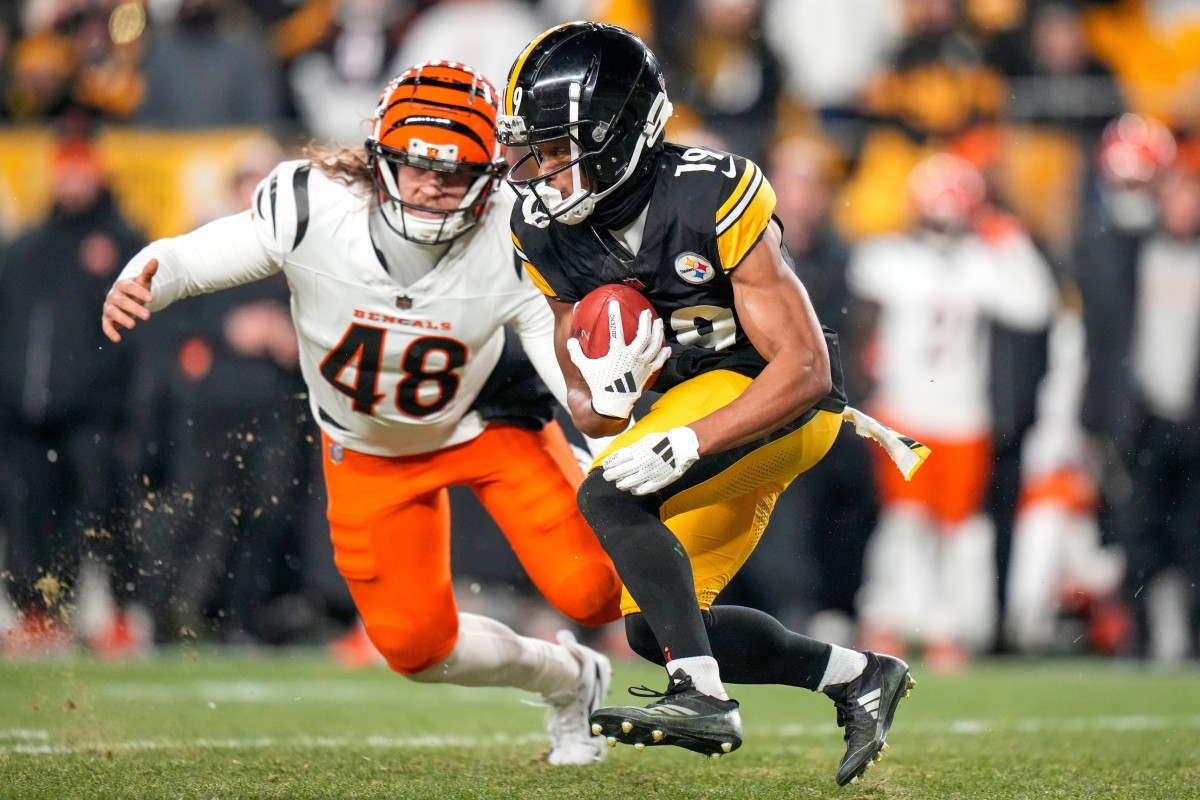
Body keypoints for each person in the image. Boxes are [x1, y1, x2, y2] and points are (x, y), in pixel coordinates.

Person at [101, 60, 622, 765]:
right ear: (381, 158)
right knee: (414, 647)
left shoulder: (514, 234)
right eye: (416, 165)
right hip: (367, 450)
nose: (433, 186)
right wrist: (145, 276)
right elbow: (200, 256)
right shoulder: (313, 207)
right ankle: (567, 678)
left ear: (492, 173)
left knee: (594, 590)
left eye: (456, 170)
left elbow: (561, 364)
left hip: (482, 425)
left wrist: (604, 422)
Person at [497, 21, 924, 786]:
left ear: (620, 136)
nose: (543, 170)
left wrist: (687, 444)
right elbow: (591, 414)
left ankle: (702, 696)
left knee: (611, 489)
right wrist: (615, 389)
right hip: (696, 405)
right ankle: (857, 676)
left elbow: (806, 368)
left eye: (561, 148)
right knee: (649, 624)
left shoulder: (707, 189)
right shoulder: (543, 229)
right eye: (537, 148)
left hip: (778, 401)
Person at [1, 127, 147, 657]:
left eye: (82, 166)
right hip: (26, 416)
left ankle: (121, 616)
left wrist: (130, 406)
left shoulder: (125, 241)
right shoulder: (25, 249)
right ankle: (40, 615)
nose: (73, 177)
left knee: (105, 516)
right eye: (66, 166)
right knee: (31, 521)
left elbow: (139, 338)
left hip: (96, 415)